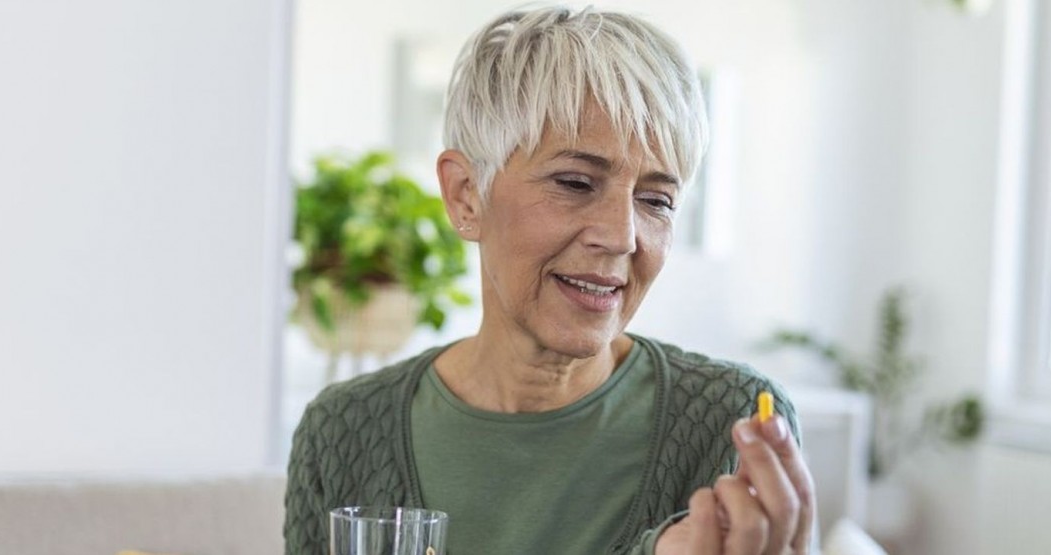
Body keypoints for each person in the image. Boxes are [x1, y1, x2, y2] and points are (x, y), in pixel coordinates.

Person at [284, 6, 815, 554]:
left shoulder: (733, 422)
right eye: (575, 182)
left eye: (656, 200)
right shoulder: (341, 432)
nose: (622, 236)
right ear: (467, 193)